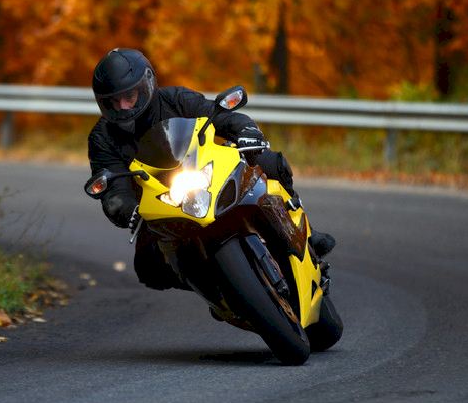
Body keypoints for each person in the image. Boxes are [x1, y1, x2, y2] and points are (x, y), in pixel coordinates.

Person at [87, 47, 335, 290]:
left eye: (129, 97)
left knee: (269, 162)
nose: (123, 106)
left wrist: (245, 130)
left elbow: (217, 115)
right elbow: (114, 190)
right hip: (158, 207)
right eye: (114, 101)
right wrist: (127, 210)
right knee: (149, 269)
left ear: (145, 86)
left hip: (205, 176)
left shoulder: (175, 99)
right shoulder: (102, 137)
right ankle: (214, 291)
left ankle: (307, 234)